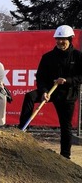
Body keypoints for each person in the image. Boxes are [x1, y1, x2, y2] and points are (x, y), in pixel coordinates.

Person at [31, 25, 82, 159]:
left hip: (67, 95)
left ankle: (65, 156)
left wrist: (67, 80)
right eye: (58, 39)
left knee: (66, 126)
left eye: (63, 39)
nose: (60, 42)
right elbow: (40, 77)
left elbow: (81, 76)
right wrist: (43, 91)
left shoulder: (77, 56)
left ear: (70, 39)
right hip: (49, 92)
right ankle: (21, 129)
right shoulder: (48, 57)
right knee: (30, 96)